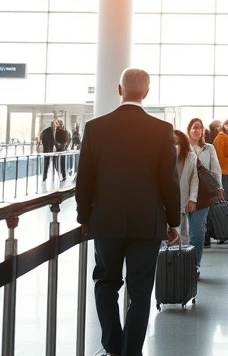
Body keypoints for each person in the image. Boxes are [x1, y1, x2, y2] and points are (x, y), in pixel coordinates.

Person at [76, 68, 180, 356]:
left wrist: (83, 217)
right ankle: (131, 351)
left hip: (106, 221)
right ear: (146, 93)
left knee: (106, 282)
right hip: (147, 222)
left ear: (119, 90)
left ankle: (112, 345)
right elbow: (169, 182)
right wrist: (173, 221)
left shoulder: (96, 128)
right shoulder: (161, 130)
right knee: (140, 289)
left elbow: (84, 178)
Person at [173, 130, 208, 271]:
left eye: (176, 142)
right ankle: (169, 265)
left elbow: (194, 179)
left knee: (183, 234)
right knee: (168, 235)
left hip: (182, 199)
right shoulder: (164, 156)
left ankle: (184, 266)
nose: (174, 144)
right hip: (166, 201)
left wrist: (192, 199)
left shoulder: (190, 157)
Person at [188, 118, 222, 249]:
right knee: (185, 229)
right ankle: (185, 260)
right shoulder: (182, 147)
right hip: (185, 191)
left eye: (199, 128)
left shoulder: (209, 148)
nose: (197, 131)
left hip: (204, 191)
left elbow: (216, 169)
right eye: (194, 127)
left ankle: (195, 261)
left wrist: (219, 187)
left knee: (198, 227)